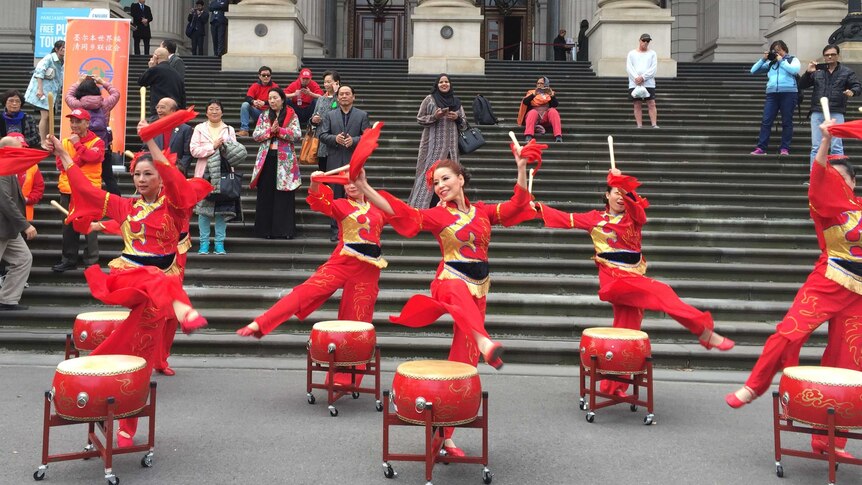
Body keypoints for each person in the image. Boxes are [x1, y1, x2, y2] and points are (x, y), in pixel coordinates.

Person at [352, 147, 534, 457]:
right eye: (435, 182)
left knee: (464, 364)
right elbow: (401, 213)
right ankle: (486, 342)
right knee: (461, 303)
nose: (440, 186)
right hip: (449, 283)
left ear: (461, 179)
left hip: (479, 289)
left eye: (445, 179)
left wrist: (521, 167)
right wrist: (366, 188)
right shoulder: (439, 215)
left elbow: (519, 204)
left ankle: (446, 437)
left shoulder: (483, 212)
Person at [45, 121, 209, 448]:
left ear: (161, 177)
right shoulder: (126, 206)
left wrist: (151, 143)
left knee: (136, 353)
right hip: (127, 279)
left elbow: (178, 183)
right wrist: (64, 154)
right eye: (137, 175)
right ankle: (183, 309)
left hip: (154, 290)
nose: (141, 179)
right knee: (155, 281)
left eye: (148, 174)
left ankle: (122, 421)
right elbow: (88, 190)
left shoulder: (175, 208)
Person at [727, 120, 862, 459]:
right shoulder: (826, 203)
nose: (833, 180)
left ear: (852, 182)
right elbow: (819, 175)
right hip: (828, 281)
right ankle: (754, 386)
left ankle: (829, 440)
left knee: (848, 364)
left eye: (840, 177)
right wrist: (826, 142)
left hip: (858, 295)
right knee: (789, 333)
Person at [534, 168, 735, 396]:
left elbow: (639, 211)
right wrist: (537, 208)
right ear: (606, 196)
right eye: (615, 192)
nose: (620, 197)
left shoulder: (633, 218)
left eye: (624, 193)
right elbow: (565, 218)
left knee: (626, 330)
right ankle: (704, 332)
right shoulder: (594, 218)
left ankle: (613, 386)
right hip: (615, 282)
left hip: (633, 280)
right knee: (662, 291)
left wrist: (623, 184)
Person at [52, 109, 105, 273]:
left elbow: (94, 158)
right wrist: (78, 159)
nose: (74, 125)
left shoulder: (98, 141)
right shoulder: (64, 142)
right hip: (68, 190)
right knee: (68, 226)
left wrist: (77, 146)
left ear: (87, 123)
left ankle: (91, 261)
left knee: (90, 227)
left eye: (78, 121)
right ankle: (69, 259)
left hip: (89, 192)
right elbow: (61, 166)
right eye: (72, 121)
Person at [318, 84, 370, 241]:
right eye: (341, 94)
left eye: (347, 94)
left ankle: (355, 229)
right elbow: (322, 135)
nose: (344, 96)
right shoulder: (330, 115)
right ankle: (336, 231)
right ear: (337, 97)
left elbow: (367, 136)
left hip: (354, 160)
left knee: (355, 195)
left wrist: (353, 141)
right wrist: (335, 139)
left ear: (353, 97)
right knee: (336, 197)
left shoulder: (362, 115)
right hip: (334, 161)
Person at [408, 74, 466, 209]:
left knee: (450, 176)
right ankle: (422, 208)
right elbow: (420, 118)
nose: (444, 84)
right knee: (428, 176)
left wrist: (457, 118)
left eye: (446, 82)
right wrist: (435, 116)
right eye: (441, 82)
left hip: (451, 147)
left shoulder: (456, 102)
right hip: (432, 147)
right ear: (437, 85)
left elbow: (464, 123)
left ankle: (450, 207)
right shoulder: (430, 100)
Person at [251, 88, 301, 240]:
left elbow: (297, 134)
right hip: (266, 158)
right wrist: (270, 132)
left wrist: (280, 131)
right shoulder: (264, 115)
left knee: (284, 194)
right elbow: (256, 135)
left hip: (285, 160)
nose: (272, 101)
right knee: (265, 193)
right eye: (270, 98)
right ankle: (264, 230)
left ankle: (284, 230)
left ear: (283, 99)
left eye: (275, 98)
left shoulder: (292, 115)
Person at [190, 99, 239, 254]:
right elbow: (194, 150)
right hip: (204, 173)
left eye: (217, 109)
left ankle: (219, 243)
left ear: (222, 112)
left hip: (223, 174)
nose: (214, 111)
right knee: (203, 211)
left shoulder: (229, 129)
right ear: (206, 112)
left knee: (221, 210)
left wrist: (225, 148)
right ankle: (204, 243)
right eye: (211, 109)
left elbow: (235, 153)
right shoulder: (199, 128)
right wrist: (212, 147)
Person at [799, 44, 861, 165]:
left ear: (838, 55)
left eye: (833, 54)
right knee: (816, 147)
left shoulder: (846, 72)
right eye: (827, 55)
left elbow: (857, 85)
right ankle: (815, 177)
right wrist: (808, 72)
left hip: (836, 111)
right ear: (824, 57)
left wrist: (852, 91)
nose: (830, 57)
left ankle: (838, 176)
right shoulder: (818, 71)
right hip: (817, 110)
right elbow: (802, 85)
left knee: (837, 146)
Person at [65, 74, 121, 195]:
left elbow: (68, 96)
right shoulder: (104, 104)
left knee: (83, 175)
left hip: (80, 147)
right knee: (108, 178)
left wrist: (78, 81)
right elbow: (116, 94)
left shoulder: (77, 105)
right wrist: (102, 82)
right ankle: (118, 205)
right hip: (102, 147)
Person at [0, 136, 36, 311]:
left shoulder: (9, 166)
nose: (22, 150)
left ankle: (8, 299)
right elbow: (4, 201)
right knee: (23, 258)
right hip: (3, 226)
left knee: (23, 259)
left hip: (8, 228)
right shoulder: (2, 168)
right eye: (18, 148)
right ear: (6, 150)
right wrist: (25, 225)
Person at [749, 40, 801, 155]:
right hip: (772, 94)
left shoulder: (792, 60)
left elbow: (794, 70)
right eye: (774, 51)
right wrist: (764, 59)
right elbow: (753, 71)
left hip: (789, 93)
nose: (777, 53)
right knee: (766, 121)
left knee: (787, 121)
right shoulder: (771, 63)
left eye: (779, 51)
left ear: (785, 50)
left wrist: (781, 61)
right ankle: (761, 148)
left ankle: (784, 148)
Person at [24, 40, 64, 143]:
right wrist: (40, 89)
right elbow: (39, 71)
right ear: (56, 49)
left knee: (50, 117)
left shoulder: (63, 61)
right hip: (43, 93)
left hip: (53, 94)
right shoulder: (49, 58)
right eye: (62, 48)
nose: (64, 50)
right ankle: (42, 141)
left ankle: (48, 140)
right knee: (45, 116)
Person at [149, 97, 193, 175]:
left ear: (173, 110)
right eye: (157, 107)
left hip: (177, 173)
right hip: (156, 172)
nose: (159, 110)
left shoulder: (185, 129)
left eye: (162, 107)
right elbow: (147, 149)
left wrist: (180, 169)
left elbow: (188, 154)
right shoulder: (153, 128)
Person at [138, 47, 185, 117]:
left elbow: (141, 82)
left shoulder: (155, 70)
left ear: (155, 57)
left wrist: (151, 68)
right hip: (174, 112)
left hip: (159, 112)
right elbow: (183, 96)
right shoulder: (176, 74)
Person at [310, 70, 340, 173]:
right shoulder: (321, 99)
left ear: (336, 83)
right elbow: (313, 116)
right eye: (325, 82)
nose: (326, 84)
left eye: (329, 82)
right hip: (321, 140)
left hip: (336, 140)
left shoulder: (340, 98)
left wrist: (337, 92)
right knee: (323, 171)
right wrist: (314, 120)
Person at [517, 77, 563, 143]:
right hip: (534, 117)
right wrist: (534, 94)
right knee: (533, 112)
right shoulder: (531, 92)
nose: (539, 85)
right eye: (538, 83)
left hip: (545, 117)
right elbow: (525, 102)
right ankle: (528, 135)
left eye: (541, 83)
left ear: (546, 84)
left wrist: (552, 95)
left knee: (553, 111)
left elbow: (555, 104)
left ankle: (558, 136)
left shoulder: (549, 93)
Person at [627, 33, 659, 128]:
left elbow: (653, 68)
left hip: (649, 83)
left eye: (647, 41)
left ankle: (654, 124)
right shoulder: (631, 53)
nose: (645, 43)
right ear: (639, 40)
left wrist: (643, 77)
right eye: (644, 40)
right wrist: (636, 78)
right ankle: (639, 125)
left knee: (651, 103)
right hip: (634, 83)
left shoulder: (652, 54)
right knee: (637, 104)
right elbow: (629, 68)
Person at [238, 66, 280, 137]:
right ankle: (244, 130)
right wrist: (253, 101)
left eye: (268, 75)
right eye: (263, 75)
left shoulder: (275, 86)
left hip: (271, 113)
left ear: (270, 76)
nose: (266, 77)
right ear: (259, 76)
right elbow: (248, 98)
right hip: (257, 112)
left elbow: (278, 100)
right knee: (245, 105)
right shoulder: (255, 86)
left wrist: (264, 103)